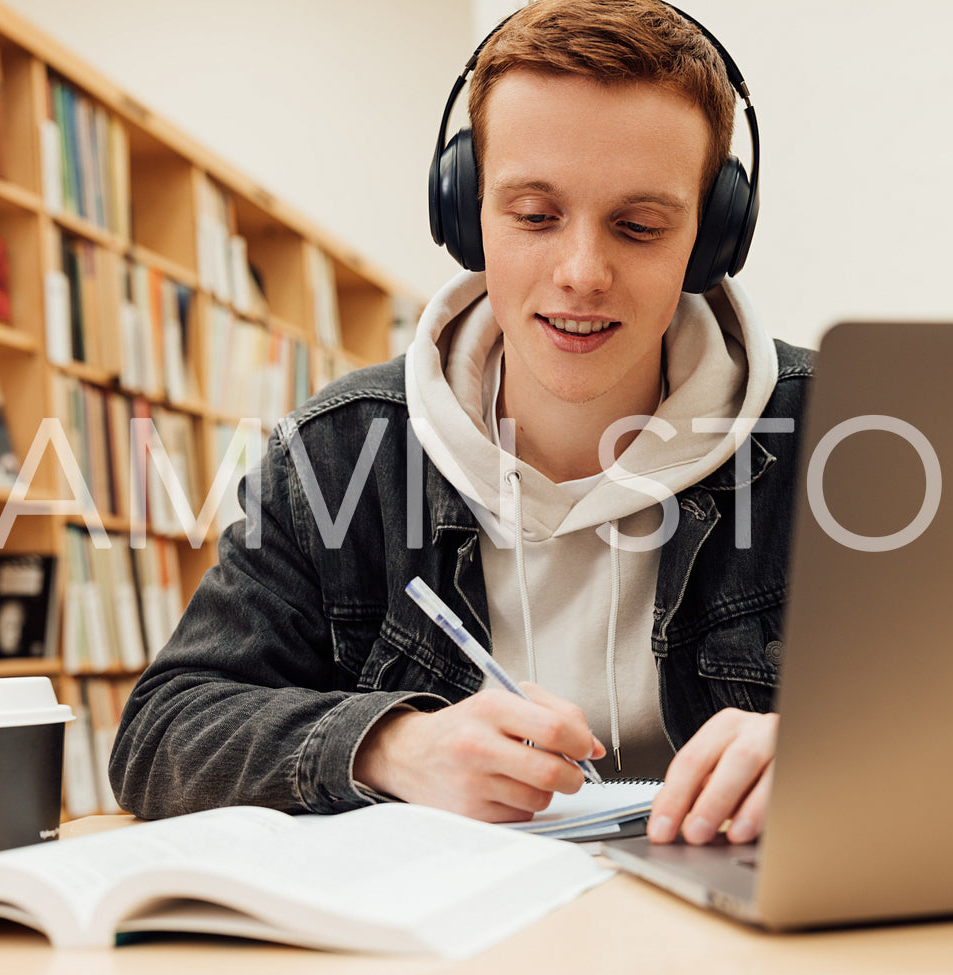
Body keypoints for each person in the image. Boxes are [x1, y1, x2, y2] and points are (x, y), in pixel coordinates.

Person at [109, 0, 812, 847]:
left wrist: (841, 750)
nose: (581, 273)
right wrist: (390, 746)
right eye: (533, 215)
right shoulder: (340, 454)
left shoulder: (837, 435)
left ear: (712, 238)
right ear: (463, 212)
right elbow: (163, 732)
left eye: (637, 226)